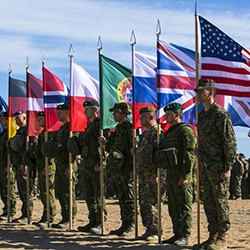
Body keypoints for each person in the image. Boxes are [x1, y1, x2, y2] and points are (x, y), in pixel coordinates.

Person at [194, 79, 237, 250]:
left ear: (210, 92)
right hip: (205, 166)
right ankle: (212, 235)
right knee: (209, 201)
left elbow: (230, 142)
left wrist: (228, 167)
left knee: (220, 202)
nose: (197, 94)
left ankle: (222, 237)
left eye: (201, 91)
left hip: (218, 167)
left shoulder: (220, 114)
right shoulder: (202, 115)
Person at [154, 103, 196, 247]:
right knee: (173, 205)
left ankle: (184, 235)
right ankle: (177, 233)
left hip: (181, 173)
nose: (166, 117)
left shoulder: (185, 130)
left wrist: (185, 175)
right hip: (171, 172)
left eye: (169, 114)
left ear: (177, 114)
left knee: (183, 205)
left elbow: (189, 154)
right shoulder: (170, 131)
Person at [68, 100, 108, 234]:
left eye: (87, 109)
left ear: (95, 110)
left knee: (98, 194)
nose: (85, 112)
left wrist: (100, 163)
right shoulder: (89, 126)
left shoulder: (99, 126)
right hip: (87, 163)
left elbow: (103, 146)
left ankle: (100, 222)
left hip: (96, 163)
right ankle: (93, 220)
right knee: (89, 194)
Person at [131, 106, 166, 241]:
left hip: (152, 174)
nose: (140, 119)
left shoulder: (157, 133)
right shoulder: (145, 133)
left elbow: (158, 155)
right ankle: (149, 228)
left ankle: (156, 230)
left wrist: (156, 174)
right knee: (144, 203)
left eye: (142, 117)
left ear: (151, 117)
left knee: (153, 203)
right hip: (143, 174)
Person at [99, 103, 134, 236]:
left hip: (127, 168)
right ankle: (124, 223)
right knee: (122, 197)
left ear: (123, 113)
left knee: (129, 198)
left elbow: (132, 149)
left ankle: (130, 224)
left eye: (116, 112)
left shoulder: (129, 128)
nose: (113, 114)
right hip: (118, 169)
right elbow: (113, 148)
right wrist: (105, 143)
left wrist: (133, 168)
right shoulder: (117, 128)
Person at [41, 104, 77, 229]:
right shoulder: (61, 129)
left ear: (67, 113)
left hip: (68, 164)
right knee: (61, 192)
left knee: (68, 191)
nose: (57, 114)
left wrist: (70, 165)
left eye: (60, 112)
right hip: (59, 163)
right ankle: (65, 217)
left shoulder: (70, 129)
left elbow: (74, 148)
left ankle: (70, 218)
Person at [23, 111, 56, 226]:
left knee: (48, 192)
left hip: (48, 166)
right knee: (43, 192)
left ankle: (49, 217)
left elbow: (52, 151)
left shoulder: (50, 133)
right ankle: (45, 215)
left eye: (41, 118)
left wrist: (48, 166)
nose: (38, 121)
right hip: (41, 165)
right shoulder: (42, 133)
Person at [9, 110, 34, 223]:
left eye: (18, 118)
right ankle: (24, 213)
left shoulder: (27, 131)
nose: (16, 120)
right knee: (22, 190)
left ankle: (27, 214)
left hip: (25, 164)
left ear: (24, 118)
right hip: (19, 163)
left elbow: (28, 148)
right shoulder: (20, 131)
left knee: (26, 190)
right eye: (15, 118)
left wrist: (25, 163)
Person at [0, 112, 16, 221]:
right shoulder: (4, 133)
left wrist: (9, 164)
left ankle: (11, 211)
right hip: (1, 164)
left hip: (6, 165)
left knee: (8, 188)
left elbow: (10, 152)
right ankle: (6, 209)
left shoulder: (10, 133)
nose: (1, 121)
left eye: (3, 118)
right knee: (3, 189)